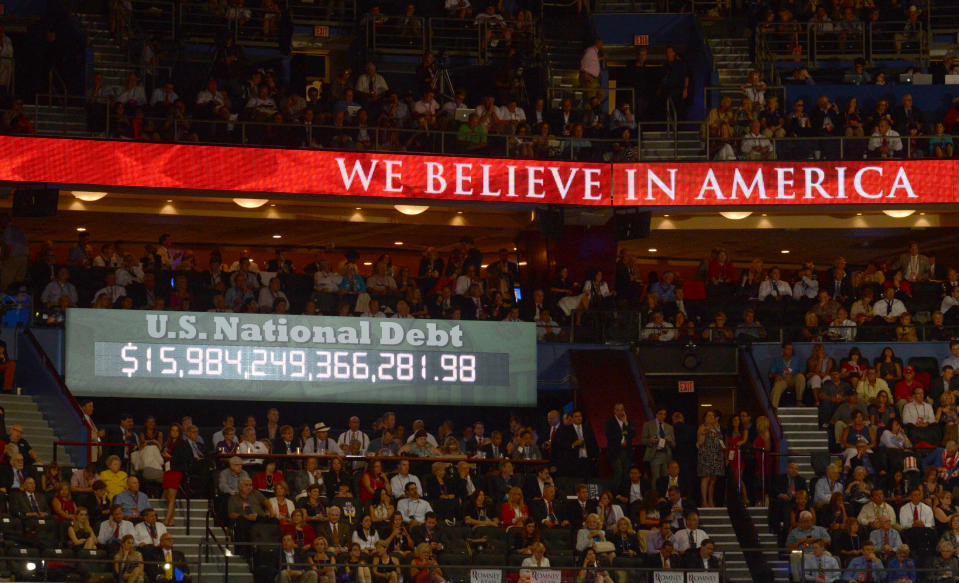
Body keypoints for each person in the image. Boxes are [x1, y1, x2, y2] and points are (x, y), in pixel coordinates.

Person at [697, 411, 725, 508]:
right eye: (708, 415)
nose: (711, 417)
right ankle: (704, 501)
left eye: (712, 415)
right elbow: (700, 443)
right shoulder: (702, 427)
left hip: (716, 456)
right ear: (704, 417)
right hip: (706, 456)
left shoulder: (716, 428)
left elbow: (721, 441)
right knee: (706, 478)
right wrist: (703, 433)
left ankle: (710, 500)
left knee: (713, 480)